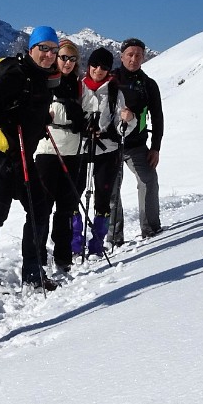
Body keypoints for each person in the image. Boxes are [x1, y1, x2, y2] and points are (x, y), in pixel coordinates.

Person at [0, 26, 62, 289]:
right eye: (43, 48)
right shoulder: (15, 73)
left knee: (39, 209)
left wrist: (41, 121)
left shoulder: (44, 78)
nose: (48, 54)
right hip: (2, 157)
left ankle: (33, 271)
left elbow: (29, 108)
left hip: (24, 155)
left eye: (53, 50)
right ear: (31, 48)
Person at [34, 39, 85, 274]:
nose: (67, 62)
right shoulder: (46, 80)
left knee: (66, 207)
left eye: (72, 59)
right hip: (48, 150)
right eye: (64, 57)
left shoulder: (77, 85)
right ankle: (39, 255)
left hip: (72, 151)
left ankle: (63, 255)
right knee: (44, 205)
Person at [108, 37, 163, 245]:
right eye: (130, 54)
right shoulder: (110, 80)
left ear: (143, 57)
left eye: (138, 55)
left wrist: (156, 148)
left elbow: (157, 118)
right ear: (121, 56)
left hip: (137, 145)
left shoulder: (149, 85)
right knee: (111, 190)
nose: (134, 59)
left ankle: (151, 229)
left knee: (148, 181)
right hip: (110, 145)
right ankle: (114, 237)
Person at [77, 46, 121, 257]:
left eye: (104, 67)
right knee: (74, 195)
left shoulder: (114, 91)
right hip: (80, 149)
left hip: (107, 150)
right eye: (95, 65)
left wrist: (122, 124)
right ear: (89, 65)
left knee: (103, 197)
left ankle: (97, 244)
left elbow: (124, 124)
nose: (98, 69)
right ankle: (75, 243)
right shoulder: (78, 87)